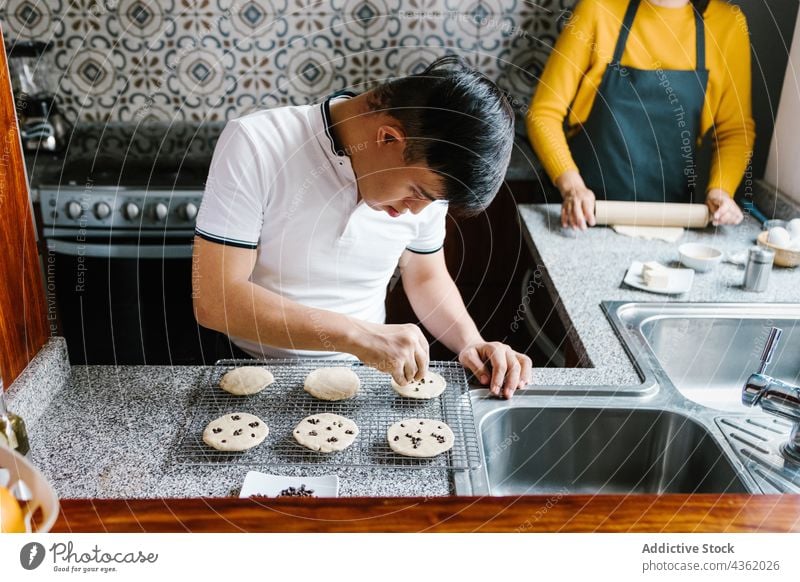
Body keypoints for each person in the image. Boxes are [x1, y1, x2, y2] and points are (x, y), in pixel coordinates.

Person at [192, 57, 532, 399]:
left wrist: (471, 342)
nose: (416, 211)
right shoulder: (256, 143)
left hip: (363, 375)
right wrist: (356, 336)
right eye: (417, 193)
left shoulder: (428, 174)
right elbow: (215, 298)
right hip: (247, 368)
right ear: (387, 138)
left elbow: (426, 275)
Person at [527, 0, 755, 230]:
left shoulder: (728, 25)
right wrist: (573, 188)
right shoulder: (597, 8)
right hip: (579, 215)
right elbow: (544, 112)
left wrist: (721, 191)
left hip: (666, 222)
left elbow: (734, 130)